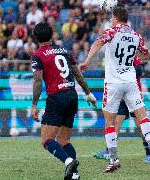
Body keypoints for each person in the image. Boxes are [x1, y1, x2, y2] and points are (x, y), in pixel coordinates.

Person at [79, 7, 150, 173]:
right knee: (142, 117)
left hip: (113, 83)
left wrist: (87, 61)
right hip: (131, 82)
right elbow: (147, 55)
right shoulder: (135, 35)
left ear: (116, 18)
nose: (111, 20)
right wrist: (135, 57)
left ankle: (113, 159)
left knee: (109, 121)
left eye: (112, 17)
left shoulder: (112, 31)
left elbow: (98, 42)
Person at [31, 22, 96, 180]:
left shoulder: (38, 55)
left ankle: (68, 162)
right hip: (72, 96)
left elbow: (38, 81)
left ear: (36, 38)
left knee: (46, 140)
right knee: (64, 140)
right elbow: (77, 74)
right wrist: (88, 93)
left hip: (57, 97)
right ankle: (74, 176)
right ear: (52, 35)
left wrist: (33, 104)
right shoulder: (64, 51)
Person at [92, 60, 150, 164]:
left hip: (133, 95)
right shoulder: (117, 56)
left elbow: (139, 70)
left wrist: (123, 70)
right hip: (121, 98)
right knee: (116, 123)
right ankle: (109, 151)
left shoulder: (130, 55)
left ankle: (149, 152)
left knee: (139, 125)